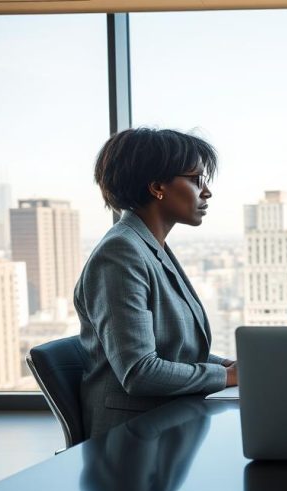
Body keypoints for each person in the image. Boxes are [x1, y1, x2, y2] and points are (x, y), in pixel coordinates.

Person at [75, 128, 237, 439]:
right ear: (157, 187)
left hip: (166, 425)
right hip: (131, 441)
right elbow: (139, 372)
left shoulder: (149, 246)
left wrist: (226, 365)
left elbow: (170, 349)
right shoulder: (120, 253)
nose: (206, 192)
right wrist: (226, 375)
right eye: (195, 179)